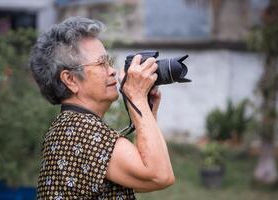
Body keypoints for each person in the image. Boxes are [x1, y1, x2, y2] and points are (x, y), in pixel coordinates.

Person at [30, 16, 174, 199]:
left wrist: (145, 109)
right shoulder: (83, 131)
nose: (112, 70)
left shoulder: (70, 127)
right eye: (101, 63)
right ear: (70, 80)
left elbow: (140, 180)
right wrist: (136, 98)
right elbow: (159, 176)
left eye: (110, 62)